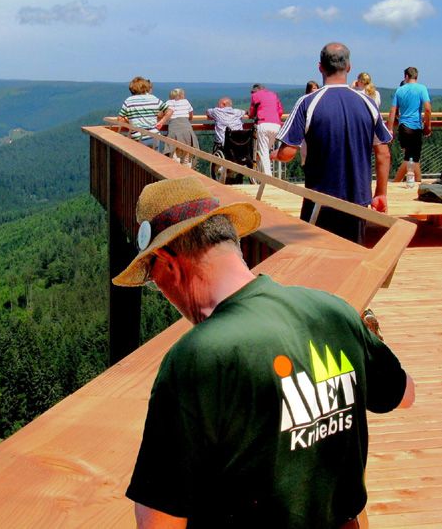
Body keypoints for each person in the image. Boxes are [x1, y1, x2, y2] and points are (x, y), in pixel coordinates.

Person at [115, 176, 415, 529]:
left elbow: (158, 523)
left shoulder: (197, 358)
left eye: (153, 275)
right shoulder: (333, 311)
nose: (161, 289)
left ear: (169, 263)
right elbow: (405, 393)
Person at [274, 42, 392, 244]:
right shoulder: (368, 103)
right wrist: (380, 193)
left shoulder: (307, 103)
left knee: (315, 260)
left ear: (320, 67)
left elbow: (287, 153)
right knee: (353, 260)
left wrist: (274, 154)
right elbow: (383, 154)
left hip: (319, 201)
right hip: (358, 200)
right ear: (349, 67)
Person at [387, 67, 432, 183]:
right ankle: (396, 182)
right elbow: (427, 109)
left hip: (403, 127)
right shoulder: (422, 89)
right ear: (416, 76)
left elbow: (392, 111)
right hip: (415, 127)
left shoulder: (399, 90)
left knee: (412, 157)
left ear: (406, 76)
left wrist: (390, 129)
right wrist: (428, 126)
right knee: (411, 158)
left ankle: (418, 181)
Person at [118, 76, 167, 148]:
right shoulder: (153, 98)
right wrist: (162, 121)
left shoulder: (129, 100)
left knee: (139, 158)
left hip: (138, 137)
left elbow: (120, 119)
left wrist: (129, 122)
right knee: (155, 158)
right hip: (154, 136)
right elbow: (169, 110)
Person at [249, 83, 284, 178]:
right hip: (276, 125)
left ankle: (268, 177)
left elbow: (251, 113)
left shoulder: (255, 95)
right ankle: (263, 171)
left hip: (263, 124)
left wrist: (251, 114)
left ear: (255, 91)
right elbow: (280, 111)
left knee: (263, 152)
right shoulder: (274, 95)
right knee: (266, 151)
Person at [158, 88, 199, 167]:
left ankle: (175, 174)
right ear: (182, 95)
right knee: (186, 156)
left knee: (173, 155)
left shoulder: (168, 103)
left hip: (174, 130)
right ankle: (187, 172)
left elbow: (160, 115)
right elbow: (191, 116)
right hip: (187, 130)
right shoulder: (186, 102)